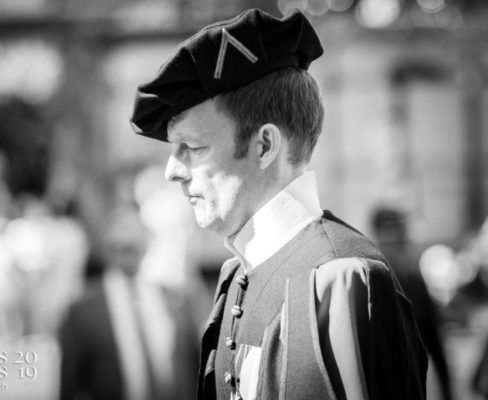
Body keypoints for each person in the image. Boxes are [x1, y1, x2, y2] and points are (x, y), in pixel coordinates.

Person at [130, 8, 428, 400]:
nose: (173, 171)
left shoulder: (343, 279)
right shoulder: (234, 276)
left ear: (266, 145)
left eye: (194, 147)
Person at [58, 206, 199, 400]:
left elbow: (193, 368)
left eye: (133, 242)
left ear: (147, 244)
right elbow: (70, 387)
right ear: (104, 247)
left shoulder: (175, 300)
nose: (127, 245)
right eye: (120, 245)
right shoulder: (81, 311)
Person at [371, 206, 452, 400]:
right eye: (389, 236)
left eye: (399, 236)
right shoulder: (368, 284)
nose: (396, 244)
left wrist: (448, 392)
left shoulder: (416, 285)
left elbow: (434, 343)